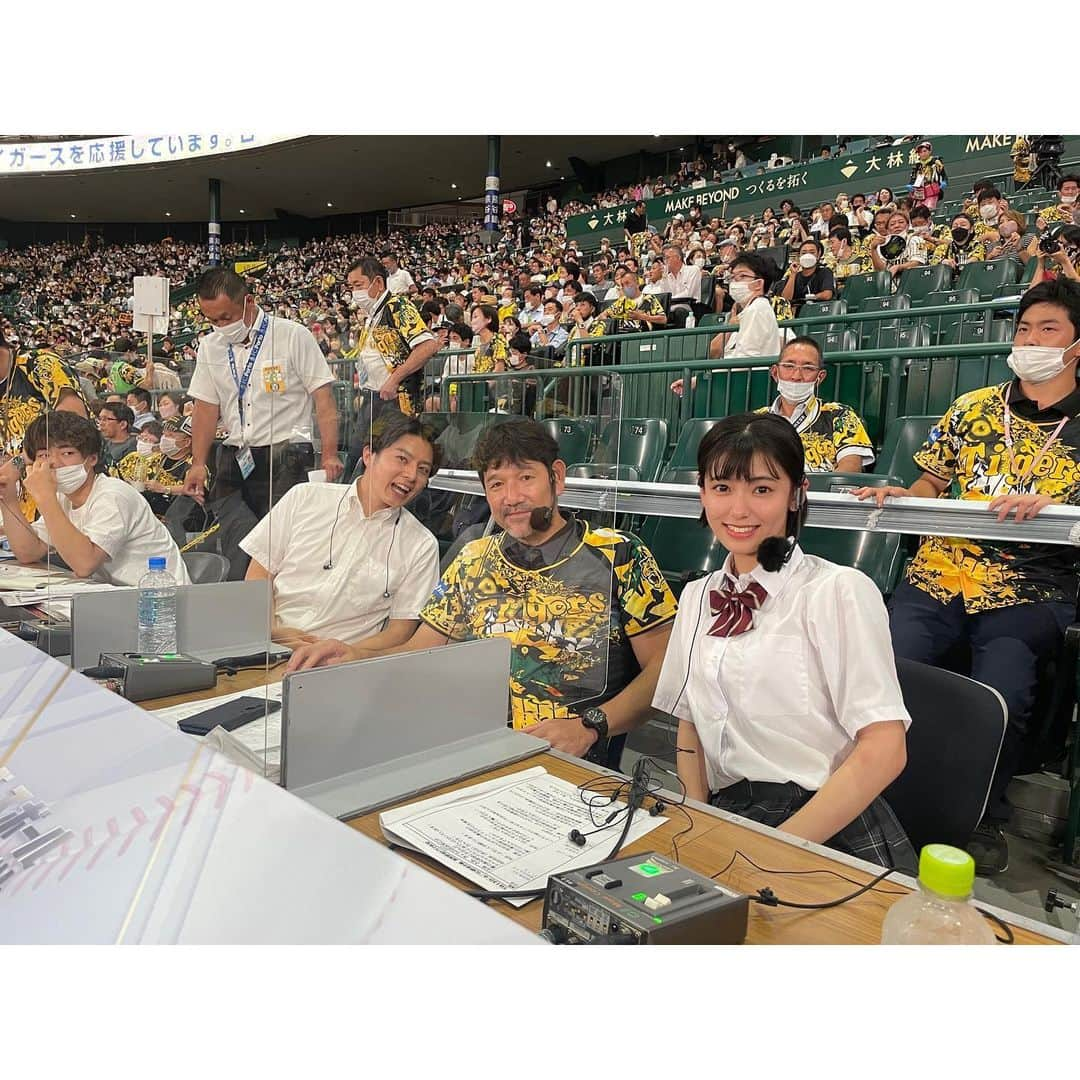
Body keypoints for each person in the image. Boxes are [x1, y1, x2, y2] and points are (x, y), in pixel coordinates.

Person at [286, 419, 678, 768]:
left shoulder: (620, 555)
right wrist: (354, 655)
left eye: (525, 478)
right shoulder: (473, 559)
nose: (511, 497)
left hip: (576, 766)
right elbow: (422, 649)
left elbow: (667, 670)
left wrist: (591, 726)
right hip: (472, 753)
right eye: (496, 484)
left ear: (556, 477)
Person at [855, 279, 1080, 875]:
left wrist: (1051, 509)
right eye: (1024, 329)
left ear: (1077, 345)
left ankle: (978, 815)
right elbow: (931, 483)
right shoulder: (973, 407)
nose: (1030, 340)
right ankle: (875, 790)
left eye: (1047, 330)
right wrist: (904, 493)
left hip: (1029, 586)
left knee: (1003, 688)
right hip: (940, 572)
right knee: (891, 666)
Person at [652, 412, 915, 873]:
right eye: (722, 488)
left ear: (796, 494)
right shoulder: (697, 597)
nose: (739, 510)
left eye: (762, 489)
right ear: (703, 493)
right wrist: (696, 815)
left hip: (824, 825)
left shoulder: (837, 591)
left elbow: (885, 748)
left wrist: (775, 850)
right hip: (731, 812)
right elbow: (691, 721)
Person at [241, 413, 441, 647]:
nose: (411, 475)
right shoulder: (305, 498)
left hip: (341, 666)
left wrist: (341, 655)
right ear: (369, 455)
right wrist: (272, 632)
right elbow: (258, 573)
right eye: (402, 459)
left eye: (423, 470)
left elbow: (400, 632)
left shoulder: (421, 545)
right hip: (266, 647)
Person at [184, 268, 342, 520]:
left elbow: (323, 397)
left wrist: (330, 454)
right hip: (236, 452)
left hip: (286, 453)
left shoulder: (292, 335)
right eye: (212, 320)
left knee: (280, 537)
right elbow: (205, 407)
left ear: (249, 301)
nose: (221, 326)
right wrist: (197, 463)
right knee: (231, 532)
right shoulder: (210, 347)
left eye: (226, 317)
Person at [0, 411, 190, 587]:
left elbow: (84, 564)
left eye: (67, 453)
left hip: (160, 601)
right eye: (44, 455)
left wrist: (46, 499)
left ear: (91, 459)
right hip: (113, 599)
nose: (53, 463)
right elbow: (28, 552)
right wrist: (7, 498)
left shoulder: (113, 495)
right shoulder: (62, 497)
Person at [670, 253, 783, 400]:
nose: (735, 282)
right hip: (738, 387)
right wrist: (698, 381)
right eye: (734, 277)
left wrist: (701, 381)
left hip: (750, 391)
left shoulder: (758, 309)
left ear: (759, 283)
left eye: (742, 276)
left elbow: (744, 362)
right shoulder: (746, 313)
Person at [755, 337, 874, 473]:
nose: (796, 376)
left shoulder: (840, 415)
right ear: (775, 373)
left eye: (808, 368)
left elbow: (851, 467)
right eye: (789, 366)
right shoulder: (756, 420)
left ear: (820, 377)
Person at [345, 257, 441, 422]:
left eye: (358, 285)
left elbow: (428, 346)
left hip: (395, 399)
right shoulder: (371, 317)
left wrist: (394, 380)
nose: (354, 292)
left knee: (388, 446)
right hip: (372, 396)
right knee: (362, 447)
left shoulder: (398, 306)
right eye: (351, 287)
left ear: (379, 283)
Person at [778, 239, 836, 313]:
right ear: (799, 256)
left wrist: (812, 297)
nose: (807, 256)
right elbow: (786, 298)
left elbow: (827, 294)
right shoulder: (794, 275)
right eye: (804, 253)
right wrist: (793, 274)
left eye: (812, 252)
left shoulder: (825, 272)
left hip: (819, 312)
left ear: (818, 255)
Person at [604, 268, 667, 333]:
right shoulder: (621, 301)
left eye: (627, 283)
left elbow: (663, 319)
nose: (625, 287)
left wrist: (642, 317)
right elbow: (602, 315)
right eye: (622, 285)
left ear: (637, 283)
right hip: (621, 335)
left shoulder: (649, 298)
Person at [659, 244, 703, 328]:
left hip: (690, 307)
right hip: (671, 307)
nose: (665, 261)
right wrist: (664, 279)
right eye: (664, 258)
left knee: (679, 311)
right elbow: (664, 296)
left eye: (667, 258)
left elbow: (689, 293)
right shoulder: (667, 277)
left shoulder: (693, 270)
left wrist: (670, 299)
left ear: (678, 257)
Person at [97, 403, 138, 473]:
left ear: (123, 424)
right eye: (100, 419)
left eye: (105, 419)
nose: (101, 423)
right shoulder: (102, 444)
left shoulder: (134, 448)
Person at [907, 140, 948, 210]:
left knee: (928, 209)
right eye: (920, 152)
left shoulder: (936, 163)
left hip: (932, 190)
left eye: (924, 151)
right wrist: (910, 185)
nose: (922, 154)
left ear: (929, 151)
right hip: (919, 193)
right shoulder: (917, 166)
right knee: (917, 211)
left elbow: (943, 176)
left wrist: (944, 182)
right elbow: (913, 178)